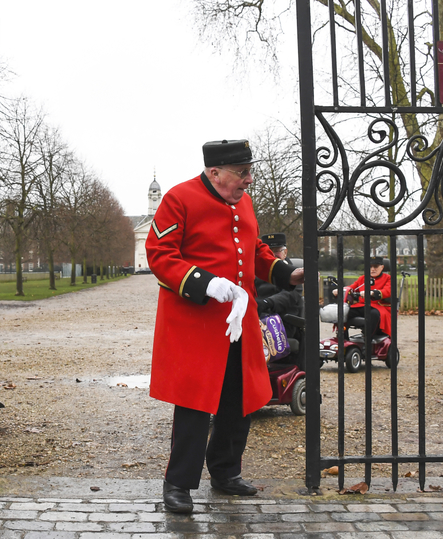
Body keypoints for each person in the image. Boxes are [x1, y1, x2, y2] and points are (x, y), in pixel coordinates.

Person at [146, 139, 305, 514]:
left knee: (241, 398)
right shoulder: (178, 199)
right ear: (214, 172)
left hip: (240, 322)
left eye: (250, 172)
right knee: (195, 404)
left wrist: (286, 272)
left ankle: (225, 472)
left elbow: (254, 252)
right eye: (241, 173)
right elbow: (160, 255)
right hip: (195, 321)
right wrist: (205, 283)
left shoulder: (244, 201)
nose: (248, 180)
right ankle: (179, 484)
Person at [331, 256, 392, 337]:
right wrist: (341, 290)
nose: (372, 269)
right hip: (362, 306)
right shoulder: (363, 278)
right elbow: (352, 288)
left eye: (375, 266)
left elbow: (387, 291)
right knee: (343, 311)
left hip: (379, 306)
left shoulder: (388, 278)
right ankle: (343, 339)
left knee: (374, 314)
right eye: (370, 267)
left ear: (382, 267)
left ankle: (368, 339)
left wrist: (372, 293)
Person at [255, 233, 304, 320]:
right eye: (269, 251)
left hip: (285, 319)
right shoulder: (257, 272)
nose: (273, 255)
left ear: (285, 252)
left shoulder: (294, 272)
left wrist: (267, 303)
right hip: (259, 316)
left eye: (277, 251)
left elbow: (289, 296)